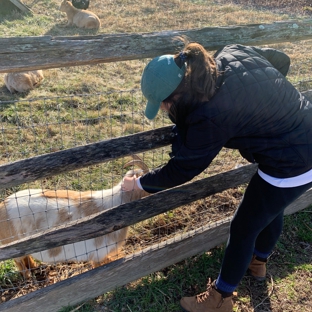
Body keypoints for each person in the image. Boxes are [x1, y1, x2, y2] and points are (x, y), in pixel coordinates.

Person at [121, 38, 312, 312]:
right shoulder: (232, 52)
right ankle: (258, 263)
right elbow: (281, 59)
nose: (163, 111)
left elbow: (183, 168)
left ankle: (220, 298)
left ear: (176, 97)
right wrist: (269, 107)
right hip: (304, 133)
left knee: (243, 227)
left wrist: (138, 183)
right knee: (271, 206)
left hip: (293, 161)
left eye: (163, 106)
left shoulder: (209, 115)